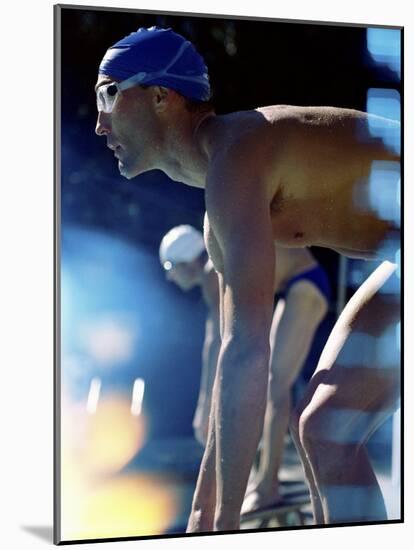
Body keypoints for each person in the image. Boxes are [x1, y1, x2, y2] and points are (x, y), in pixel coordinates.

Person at [95, 26, 401, 531]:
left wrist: (222, 526)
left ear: (160, 96)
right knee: (326, 431)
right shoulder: (220, 198)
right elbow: (229, 358)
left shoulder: (238, 155)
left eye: (107, 94)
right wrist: (205, 509)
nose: (100, 124)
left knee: (323, 427)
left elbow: (247, 351)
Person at [159, 224, 330, 512]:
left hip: (306, 282)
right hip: (292, 286)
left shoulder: (212, 272)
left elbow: (215, 341)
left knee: (276, 384)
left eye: (171, 268)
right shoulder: (214, 267)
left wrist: (204, 404)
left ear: (187, 261)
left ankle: (268, 487)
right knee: (263, 382)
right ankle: (260, 479)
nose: (169, 276)